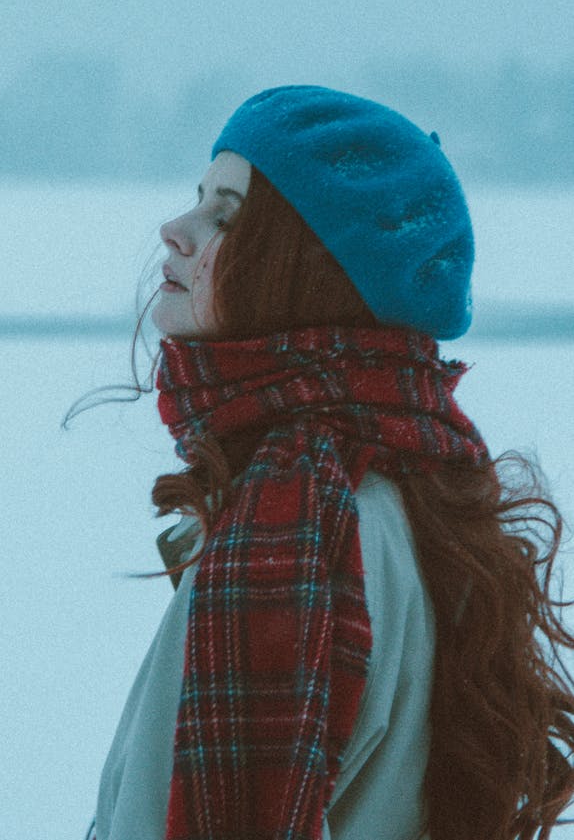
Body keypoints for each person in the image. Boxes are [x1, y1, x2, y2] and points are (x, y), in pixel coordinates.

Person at [70, 84, 574, 840]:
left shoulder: (296, 529)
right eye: (197, 198)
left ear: (307, 268)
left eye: (226, 216)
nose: (174, 230)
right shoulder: (413, 480)